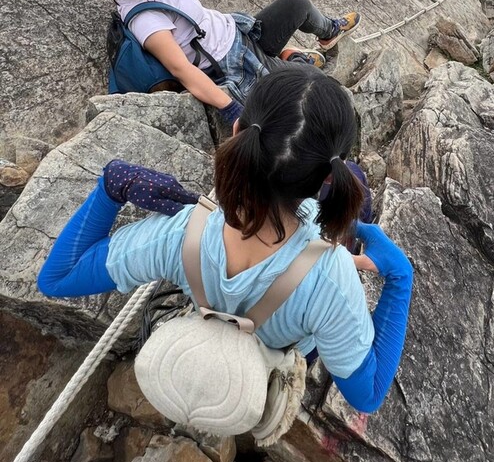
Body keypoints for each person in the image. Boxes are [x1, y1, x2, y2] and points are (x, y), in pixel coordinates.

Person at [37, 68, 413, 414]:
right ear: (328, 181)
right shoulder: (330, 281)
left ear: (238, 133)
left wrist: (111, 186)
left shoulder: (180, 232)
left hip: (215, 333)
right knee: (359, 181)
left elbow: (57, 278)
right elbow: (368, 395)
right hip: (283, 347)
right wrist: (400, 279)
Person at [93, 0, 361, 125]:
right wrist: (232, 110)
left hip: (243, 33)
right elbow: (182, 69)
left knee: (296, 3)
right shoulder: (145, 20)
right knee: (319, 84)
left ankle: (328, 33)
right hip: (239, 63)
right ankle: (293, 62)